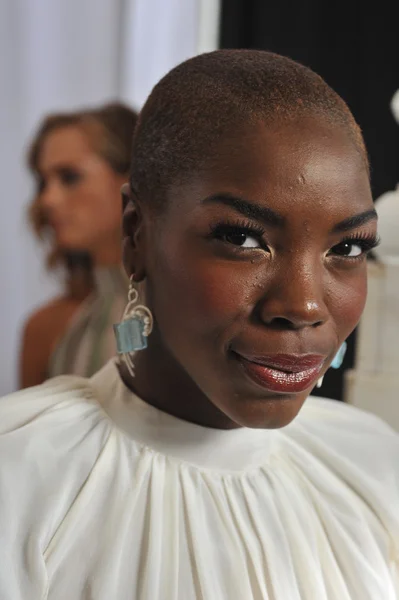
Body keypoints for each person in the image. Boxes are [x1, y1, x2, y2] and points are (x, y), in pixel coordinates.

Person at [1, 50, 398, 599]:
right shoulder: (20, 480)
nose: (305, 305)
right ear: (137, 235)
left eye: (347, 247)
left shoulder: (373, 463)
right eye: (243, 239)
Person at [20, 103, 137, 387]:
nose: (47, 199)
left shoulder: (187, 311)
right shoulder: (45, 328)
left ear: (131, 178)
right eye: (43, 182)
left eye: (69, 177)